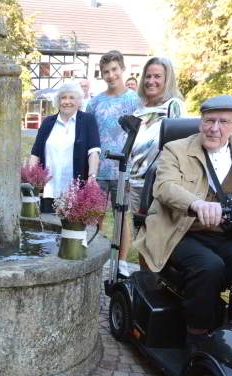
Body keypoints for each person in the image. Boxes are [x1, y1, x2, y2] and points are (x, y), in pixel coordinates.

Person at [133, 95, 232, 348]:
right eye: (209, 121)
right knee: (208, 266)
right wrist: (197, 204)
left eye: (223, 122)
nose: (214, 128)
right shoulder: (176, 149)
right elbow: (165, 186)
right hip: (179, 231)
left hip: (226, 234)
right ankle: (198, 337)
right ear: (200, 122)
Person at [88, 50, 140, 258]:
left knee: (121, 218)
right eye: (106, 72)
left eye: (114, 70)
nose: (111, 75)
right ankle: (94, 258)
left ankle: (122, 262)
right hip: (99, 168)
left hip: (123, 169)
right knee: (94, 217)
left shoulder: (135, 100)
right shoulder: (95, 103)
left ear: (122, 69)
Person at [29, 83, 101, 213]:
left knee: (72, 231)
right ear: (58, 101)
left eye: (71, 98)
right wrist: (31, 177)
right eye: (63, 98)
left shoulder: (87, 121)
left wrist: (92, 176)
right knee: (47, 229)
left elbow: (94, 152)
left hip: (75, 192)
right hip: (48, 190)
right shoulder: (47, 122)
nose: (67, 102)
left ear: (79, 101)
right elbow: (35, 153)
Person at [129, 57, 185, 216]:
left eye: (157, 76)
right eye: (148, 76)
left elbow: (178, 146)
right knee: (136, 231)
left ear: (167, 80)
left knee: (155, 231)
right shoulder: (139, 109)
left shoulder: (173, 106)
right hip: (135, 182)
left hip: (159, 183)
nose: (151, 81)